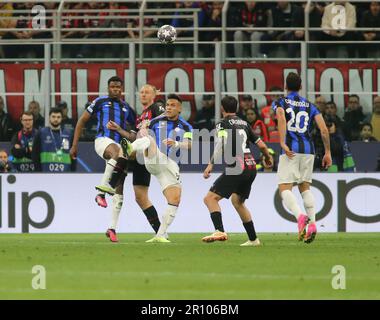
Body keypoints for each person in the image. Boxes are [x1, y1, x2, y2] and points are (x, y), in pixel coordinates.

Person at [70, 76, 137, 243]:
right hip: (103, 142)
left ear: (122, 89)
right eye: (112, 87)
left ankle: (112, 228)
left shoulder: (126, 108)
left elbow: (135, 130)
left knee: (120, 187)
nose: (115, 89)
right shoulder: (99, 102)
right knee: (117, 152)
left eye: (118, 87)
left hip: (120, 147)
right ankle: (101, 193)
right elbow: (81, 121)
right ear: (108, 88)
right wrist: (74, 145)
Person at [201, 96, 273, 247]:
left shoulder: (222, 123)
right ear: (237, 108)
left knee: (210, 198)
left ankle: (219, 230)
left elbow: (221, 143)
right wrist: (267, 157)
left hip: (237, 166)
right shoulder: (245, 123)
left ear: (222, 108)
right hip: (251, 166)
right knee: (238, 202)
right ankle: (253, 239)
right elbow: (261, 145)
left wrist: (210, 164)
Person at [121, 94, 193, 243]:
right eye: (167, 105)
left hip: (170, 167)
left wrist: (177, 144)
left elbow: (189, 145)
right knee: (149, 139)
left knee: (174, 200)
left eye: (173, 105)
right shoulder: (156, 121)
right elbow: (143, 131)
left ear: (179, 108)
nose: (169, 108)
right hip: (155, 158)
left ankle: (160, 234)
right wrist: (143, 127)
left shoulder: (186, 126)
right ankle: (130, 148)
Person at [273, 72, 331, 244]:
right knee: (305, 188)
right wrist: (327, 152)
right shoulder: (310, 105)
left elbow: (281, 117)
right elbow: (324, 130)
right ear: (300, 87)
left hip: (291, 150)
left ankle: (300, 217)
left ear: (285, 86)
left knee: (284, 189)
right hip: (308, 150)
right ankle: (312, 225)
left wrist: (282, 142)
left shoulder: (280, 102)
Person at [32, 108, 76, 173]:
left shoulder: (69, 134)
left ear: (61, 118)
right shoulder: (41, 133)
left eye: (58, 117)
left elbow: (74, 155)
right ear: (49, 118)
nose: (56, 119)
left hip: (65, 173)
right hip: (46, 173)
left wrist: (73, 172)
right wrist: (38, 172)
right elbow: (35, 154)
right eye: (53, 117)